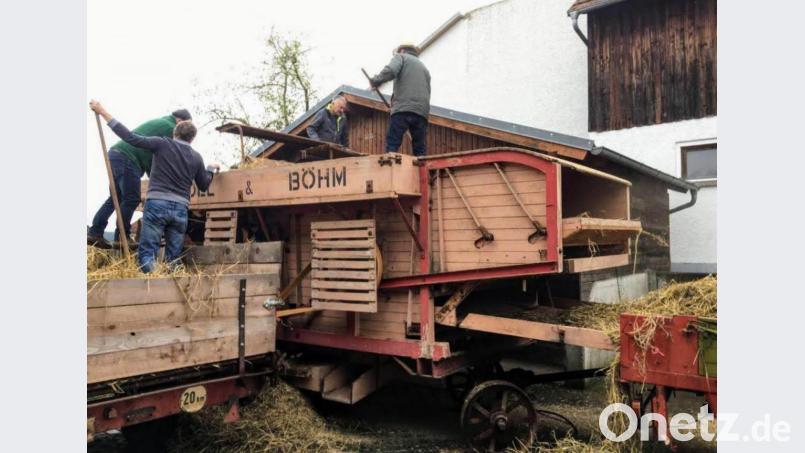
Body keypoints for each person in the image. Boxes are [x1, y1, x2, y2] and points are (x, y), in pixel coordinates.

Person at [90, 100, 219, 273]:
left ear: (175, 130)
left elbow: (130, 137)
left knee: (147, 255)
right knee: (173, 260)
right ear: (192, 137)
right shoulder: (196, 157)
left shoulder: (161, 143)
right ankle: (124, 237)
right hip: (180, 209)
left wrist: (104, 112)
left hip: (157, 204)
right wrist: (210, 169)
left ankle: (153, 280)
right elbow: (203, 185)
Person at [87, 108, 193, 248]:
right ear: (179, 121)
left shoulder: (161, 123)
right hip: (128, 158)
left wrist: (155, 183)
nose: (187, 130)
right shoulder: (171, 128)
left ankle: (95, 232)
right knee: (131, 198)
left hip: (116, 154)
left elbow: (153, 157)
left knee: (115, 198)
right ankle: (122, 236)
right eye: (187, 125)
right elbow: (167, 155)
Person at [369, 43, 431, 157]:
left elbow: (391, 70)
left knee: (392, 144)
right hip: (421, 113)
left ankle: (389, 170)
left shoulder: (401, 57)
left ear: (402, 50)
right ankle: (422, 171)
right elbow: (427, 90)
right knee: (420, 149)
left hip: (403, 109)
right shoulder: (424, 69)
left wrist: (376, 81)